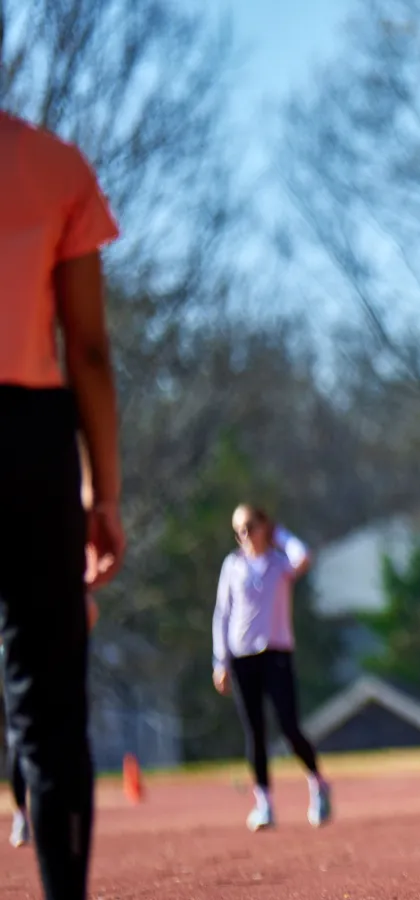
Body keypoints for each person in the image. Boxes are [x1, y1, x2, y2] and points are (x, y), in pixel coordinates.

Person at [0, 109, 125, 900]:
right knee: (48, 708)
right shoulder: (53, 165)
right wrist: (102, 493)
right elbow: (86, 347)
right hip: (28, 441)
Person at [212, 505, 330, 831]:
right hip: (242, 657)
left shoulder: (280, 564)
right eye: (239, 529)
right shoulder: (232, 566)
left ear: (264, 526)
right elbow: (222, 613)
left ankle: (317, 783)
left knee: (289, 727)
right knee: (256, 733)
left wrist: (281, 535)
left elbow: (303, 556)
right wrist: (220, 661)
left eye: (250, 526)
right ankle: (264, 803)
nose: (245, 535)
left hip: (276, 653)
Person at [7, 595, 97, 850]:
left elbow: (90, 610)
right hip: (17, 665)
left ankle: (64, 815)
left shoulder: (57, 570)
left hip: (54, 664)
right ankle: (22, 814)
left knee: (61, 736)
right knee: (19, 740)